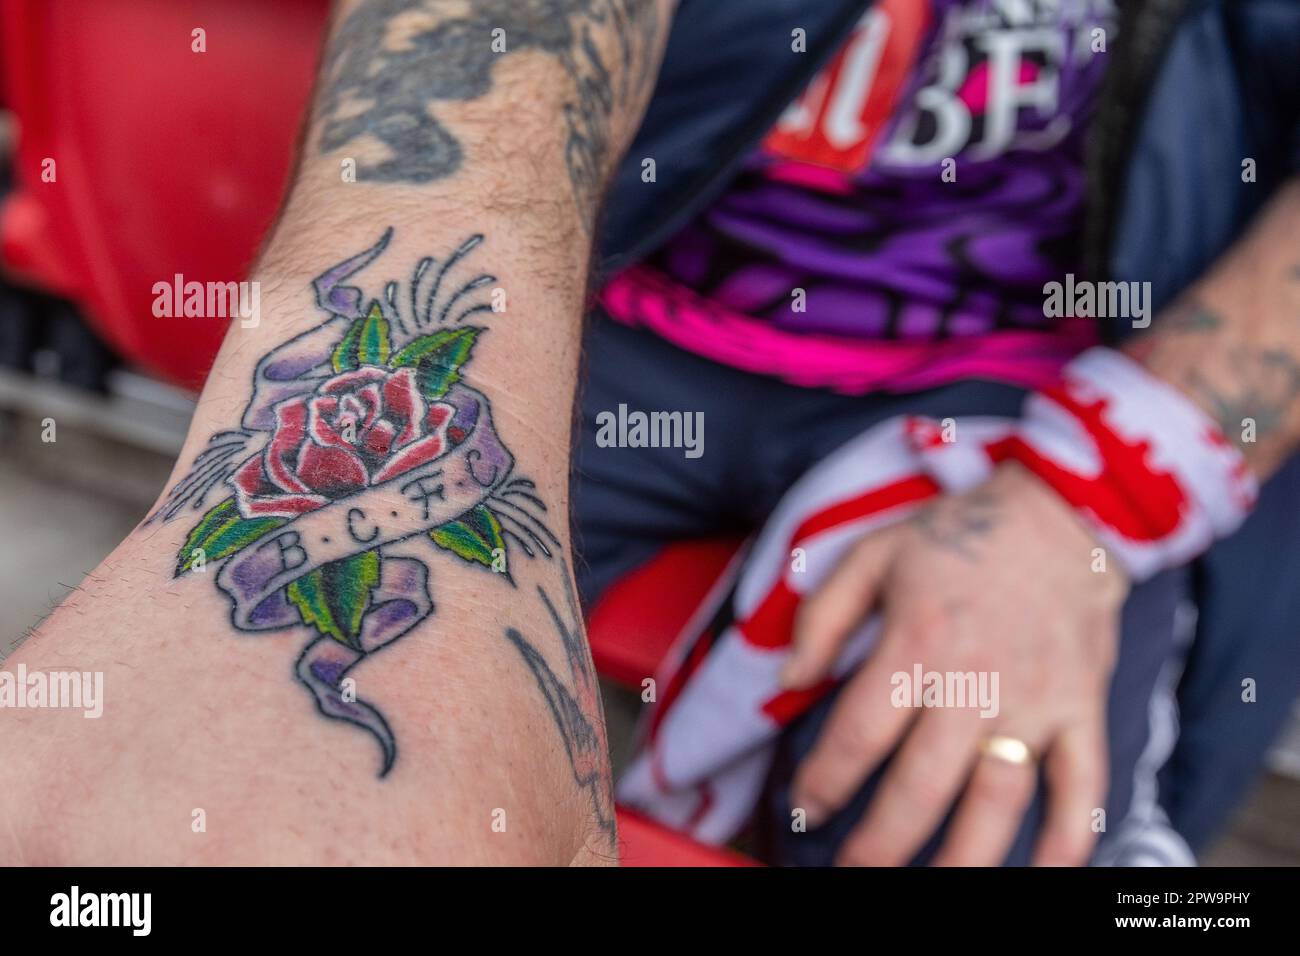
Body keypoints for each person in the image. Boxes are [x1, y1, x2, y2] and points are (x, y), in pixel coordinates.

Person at [575, 0, 1300, 865]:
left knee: (994, 815)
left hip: (1044, 362)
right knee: (390, 648)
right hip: (603, 296)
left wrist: (1077, 502)